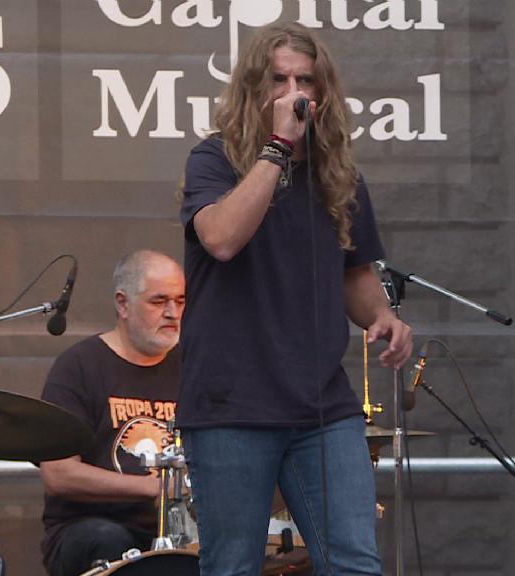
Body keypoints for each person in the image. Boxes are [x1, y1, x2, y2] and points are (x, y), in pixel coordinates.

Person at [178, 22, 412, 576]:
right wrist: (278, 148)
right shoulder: (213, 160)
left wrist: (383, 315)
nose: (292, 93)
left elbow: (353, 272)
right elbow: (223, 238)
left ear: (322, 92)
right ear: (253, 89)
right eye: (278, 80)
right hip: (231, 405)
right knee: (233, 565)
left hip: (321, 404)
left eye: (304, 80)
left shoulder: (340, 178)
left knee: (354, 562)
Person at [39, 250, 186, 576]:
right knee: (109, 539)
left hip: (178, 530)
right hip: (88, 528)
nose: (173, 312)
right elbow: (59, 474)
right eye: (159, 301)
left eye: (180, 300)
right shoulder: (78, 366)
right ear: (123, 304)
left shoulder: (193, 368)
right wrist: (155, 488)